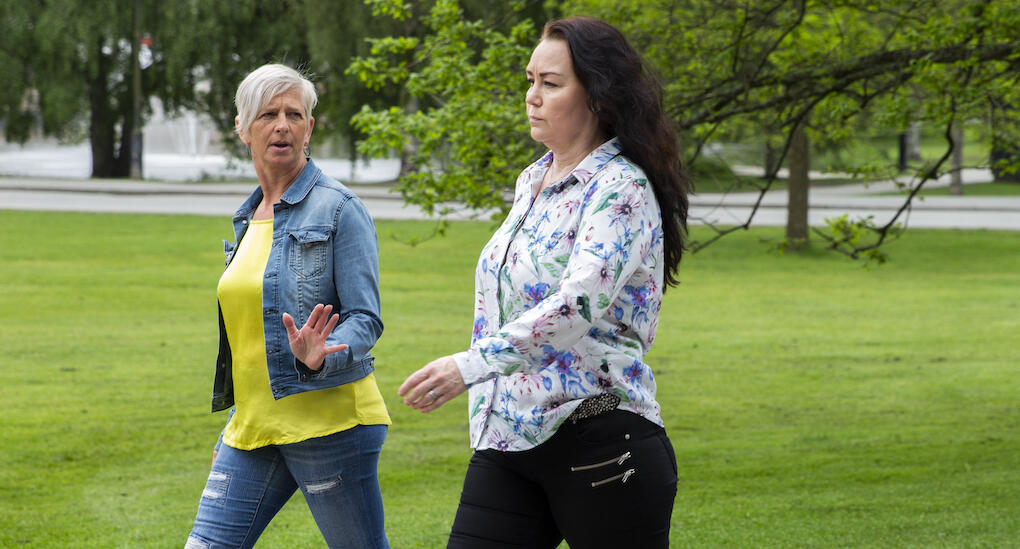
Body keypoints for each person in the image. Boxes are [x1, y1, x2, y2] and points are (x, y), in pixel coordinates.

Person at [397, 16, 691, 549]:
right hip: (508, 440)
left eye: (551, 84)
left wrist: (469, 366)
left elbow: (577, 304)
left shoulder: (619, 187)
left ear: (598, 97)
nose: (532, 96)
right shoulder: (534, 180)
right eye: (530, 80)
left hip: (599, 435)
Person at [185, 64, 391, 549]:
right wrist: (234, 428)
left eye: (294, 114)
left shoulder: (339, 208)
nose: (282, 125)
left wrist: (325, 350)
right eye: (268, 114)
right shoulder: (248, 215)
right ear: (242, 128)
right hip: (254, 432)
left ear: (310, 128)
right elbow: (251, 343)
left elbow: (366, 318)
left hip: (331, 427)